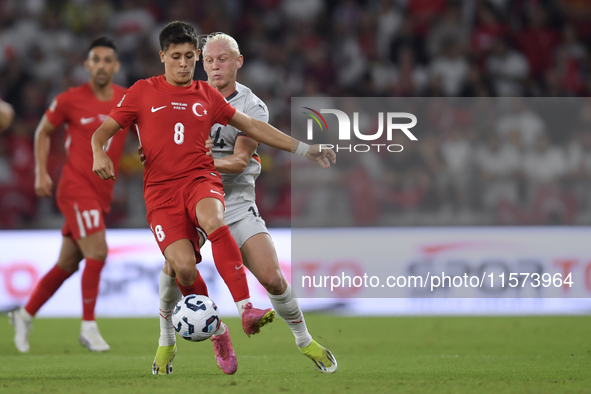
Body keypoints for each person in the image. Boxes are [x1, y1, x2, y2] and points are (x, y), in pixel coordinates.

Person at [91, 21, 334, 375]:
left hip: (221, 192)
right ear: (164, 57)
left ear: (238, 62)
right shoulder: (146, 91)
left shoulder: (231, 100)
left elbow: (244, 148)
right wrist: (103, 151)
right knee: (178, 267)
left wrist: (305, 149)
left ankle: (292, 333)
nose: (198, 64)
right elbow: (106, 132)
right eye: (203, 59)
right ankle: (185, 336)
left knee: (271, 276)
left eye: (198, 57)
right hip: (165, 192)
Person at [9, 37, 128, 353]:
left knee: (68, 263)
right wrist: (41, 171)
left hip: (102, 192)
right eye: (95, 59)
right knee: (98, 252)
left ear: (115, 66)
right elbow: (43, 131)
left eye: (107, 60)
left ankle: (24, 314)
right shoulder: (69, 99)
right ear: (87, 65)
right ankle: (88, 327)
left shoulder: (127, 99)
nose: (101, 65)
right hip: (76, 188)